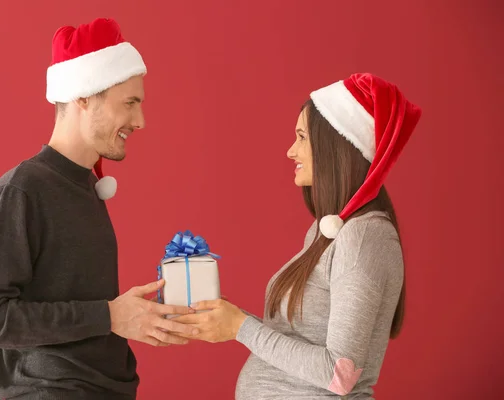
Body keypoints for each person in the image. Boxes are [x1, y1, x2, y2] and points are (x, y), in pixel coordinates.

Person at [0, 17, 197, 400]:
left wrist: (133, 318)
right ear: (84, 97)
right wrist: (109, 315)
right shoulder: (20, 191)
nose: (140, 121)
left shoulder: (86, 186)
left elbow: (90, 308)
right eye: (130, 103)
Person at [173, 73, 422, 398]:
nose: (291, 151)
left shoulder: (364, 237)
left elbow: (340, 373)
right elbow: (296, 341)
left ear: (337, 145)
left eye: (302, 137)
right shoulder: (327, 232)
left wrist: (240, 327)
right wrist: (229, 320)